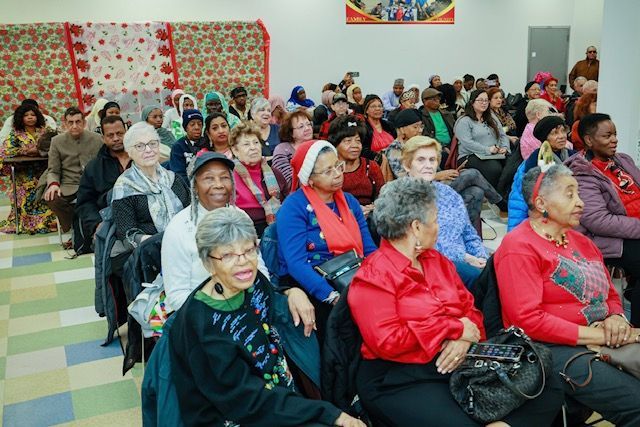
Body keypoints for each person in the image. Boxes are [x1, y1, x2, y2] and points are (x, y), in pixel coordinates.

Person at [349, 177, 564, 427]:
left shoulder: (436, 261)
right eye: (436, 219)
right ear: (416, 227)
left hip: (457, 360)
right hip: (398, 377)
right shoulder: (374, 275)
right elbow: (387, 341)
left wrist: (463, 337)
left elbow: (470, 311)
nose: (439, 226)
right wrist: (454, 329)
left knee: (546, 383)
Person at [168, 207, 365, 427]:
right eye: (228, 255)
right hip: (239, 414)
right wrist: (327, 413)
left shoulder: (254, 283)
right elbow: (245, 401)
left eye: (249, 250)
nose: (242, 261)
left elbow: (270, 297)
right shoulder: (203, 326)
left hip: (280, 400)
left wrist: (290, 291)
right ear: (208, 263)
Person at [495, 164, 640, 426]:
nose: (581, 203)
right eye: (570, 194)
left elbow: (610, 294)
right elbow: (527, 319)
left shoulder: (582, 242)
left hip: (601, 335)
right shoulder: (518, 246)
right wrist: (599, 335)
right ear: (541, 203)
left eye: (579, 194)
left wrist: (617, 317)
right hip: (550, 349)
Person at [276, 140, 377, 335]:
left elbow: (369, 249)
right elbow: (296, 263)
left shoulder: (349, 202)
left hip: (353, 273)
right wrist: (331, 296)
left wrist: (381, 279)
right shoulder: (294, 207)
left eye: (338, 166)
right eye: (328, 171)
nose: (338, 174)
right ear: (310, 179)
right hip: (314, 282)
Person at [162, 152, 268, 310]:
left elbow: (259, 268)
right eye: (209, 178)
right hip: (202, 311)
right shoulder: (179, 229)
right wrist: (220, 312)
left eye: (224, 177)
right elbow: (177, 296)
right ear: (195, 186)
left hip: (247, 304)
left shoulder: (240, 216)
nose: (219, 184)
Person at [567, 113, 640, 325]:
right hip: (607, 240)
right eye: (607, 136)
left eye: (615, 134)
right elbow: (599, 220)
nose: (614, 139)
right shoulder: (582, 173)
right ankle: (636, 332)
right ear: (589, 141)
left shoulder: (622, 160)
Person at [402, 137, 487, 288]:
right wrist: (466, 258)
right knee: (477, 278)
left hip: (465, 261)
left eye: (432, 160)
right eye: (421, 160)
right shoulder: (399, 196)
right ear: (407, 165)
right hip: (428, 264)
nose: (428, 165)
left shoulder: (448, 193)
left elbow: (468, 232)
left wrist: (481, 256)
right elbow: (418, 245)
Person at [111, 122, 190, 277]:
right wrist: (162, 241)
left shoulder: (174, 179)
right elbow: (128, 234)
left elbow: (191, 213)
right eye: (140, 146)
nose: (148, 150)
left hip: (184, 246)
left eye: (152, 144)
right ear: (129, 152)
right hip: (147, 254)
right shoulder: (124, 187)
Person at [75, 115, 131, 253]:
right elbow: (85, 202)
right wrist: (96, 225)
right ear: (103, 139)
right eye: (110, 135)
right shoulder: (94, 167)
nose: (116, 138)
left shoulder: (141, 159)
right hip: (110, 224)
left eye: (119, 133)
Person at [508, 116, 575, 231]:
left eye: (563, 131)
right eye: (555, 133)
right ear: (545, 138)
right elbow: (520, 201)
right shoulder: (536, 161)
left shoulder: (572, 155)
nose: (562, 136)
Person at [43, 107, 103, 234]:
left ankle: (94, 228)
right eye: (70, 122)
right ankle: (74, 228)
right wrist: (53, 184)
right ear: (65, 124)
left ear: (84, 123)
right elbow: (53, 170)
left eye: (78, 122)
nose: (74, 126)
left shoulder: (97, 139)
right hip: (68, 186)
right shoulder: (56, 141)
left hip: (93, 184)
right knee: (51, 197)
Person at [0, 104, 57, 234]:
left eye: (33, 115)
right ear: (21, 118)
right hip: (23, 173)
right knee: (26, 187)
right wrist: (25, 151)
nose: (30, 118)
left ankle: (48, 220)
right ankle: (28, 221)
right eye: (26, 115)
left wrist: (40, 150)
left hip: (43, 171)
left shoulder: (46, 130)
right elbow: (5, 150)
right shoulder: (15, 133)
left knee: (44, 184)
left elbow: (56, 144)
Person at [229, 122, 288, 237]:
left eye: (256, 142)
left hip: (277, 228)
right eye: (246, 144)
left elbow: (288, 201)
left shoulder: (275, 173)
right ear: (235, 150)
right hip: (243, 232)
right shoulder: (229, 176)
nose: (253, 147)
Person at [454, 90, 510, 190]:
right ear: (472, 102)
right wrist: (487, 150)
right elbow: (467, 143)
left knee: (511, 166)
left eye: (486, 100)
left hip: (495, 153)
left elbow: (502, 135)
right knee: (494, 169)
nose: (484, 103)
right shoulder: (464, 121)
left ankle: (505, 195)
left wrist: (504, 147)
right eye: (480, 100)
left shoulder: (491, 117)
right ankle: (495, 199)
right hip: (470, 155)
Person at [328, 115, 383, 217]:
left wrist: (374, 207)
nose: (355, 145)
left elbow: (382, 198)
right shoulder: (329, 169)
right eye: (348, 141)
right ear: (336, 144)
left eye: (358, 141)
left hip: (370, 217)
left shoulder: (371, 166)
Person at [272, 110, 313, 186]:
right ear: (291, 133)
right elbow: (288, 182)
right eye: (301, 126)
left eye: (309, 124)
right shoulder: (282, 149)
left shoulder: (317, 145)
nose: (307, 128)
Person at [168, 109, 209, 184]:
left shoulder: (207, 144)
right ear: (185, 128)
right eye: (192, 124)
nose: (197, 127)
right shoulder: (178, 146)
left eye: (199, 124)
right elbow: (179, 175)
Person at [384, 108, 424, 179]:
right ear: (402, 129)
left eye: (421, 126)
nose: (420, 130)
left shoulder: (421, 144)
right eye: (415, 127)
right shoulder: (395, 148)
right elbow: (404, 178)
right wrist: (434, 176)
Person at [419, 88, 454, 165]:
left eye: (438, 99)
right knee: (444, 155)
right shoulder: (421, 116)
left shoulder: (447, 114)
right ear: (425, 101)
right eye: (434, 99)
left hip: (452, 145)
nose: (437, 101)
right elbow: (425, 136)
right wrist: (442, 147)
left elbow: (455, 131)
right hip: (434, 147)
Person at [362, 95, 396, 159]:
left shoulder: (389, 125)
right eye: (373, 106)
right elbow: (363, 151)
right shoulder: (363, 128)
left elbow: (397, 142)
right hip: (375, 163)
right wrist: (381, 157)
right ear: (366, 110)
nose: (377, 109)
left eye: (380, 106)